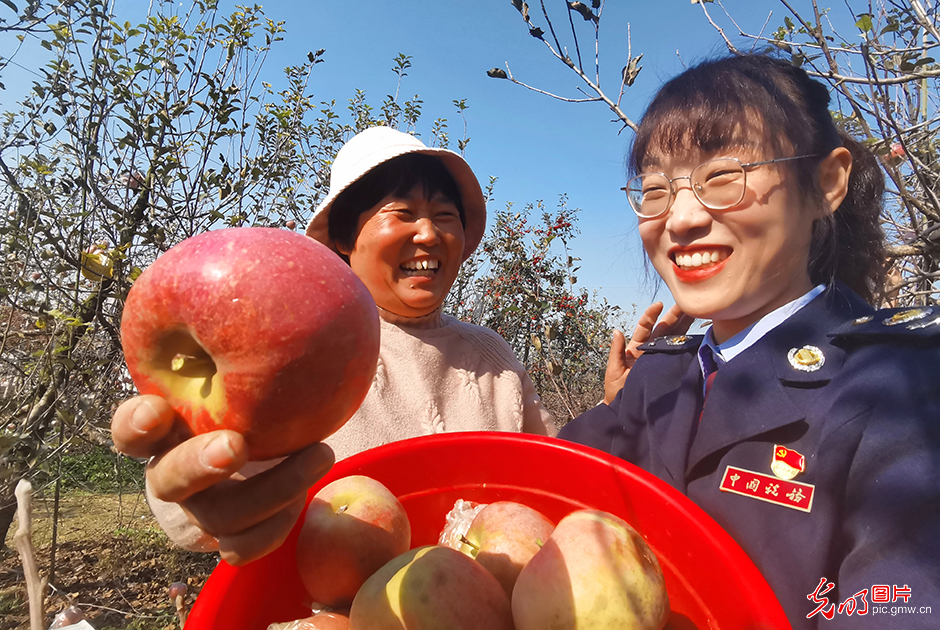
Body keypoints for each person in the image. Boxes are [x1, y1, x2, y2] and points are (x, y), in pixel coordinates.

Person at [111, 126, 682, 566]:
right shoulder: (301, 355)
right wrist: (198, 490)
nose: (429, 234)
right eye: (402, 214)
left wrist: (616, 411)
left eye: (444, 217)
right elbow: (224, 487)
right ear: (341, 237)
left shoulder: (491, 357)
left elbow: (545, 473)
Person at [559, 54, 940, 629]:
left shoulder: (901, 389)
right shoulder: (657, 377)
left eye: (721, 177)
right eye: (657, 188)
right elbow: (537, 488)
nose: (681, 218)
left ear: (826, 184)